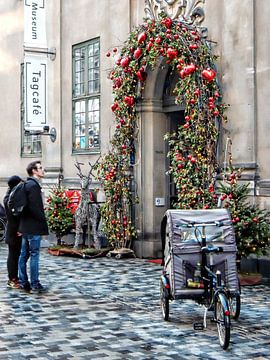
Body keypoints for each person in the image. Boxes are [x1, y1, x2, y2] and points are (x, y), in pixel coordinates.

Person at [18, 161, 49, 293]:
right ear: (34, 171)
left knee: (24, 254)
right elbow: (36, 208)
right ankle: (35, 283)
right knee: (34, 254)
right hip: (33, 226)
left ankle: (23, 281)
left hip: (25, 226)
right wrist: (44, 221)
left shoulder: (26, 184)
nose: (43, 170)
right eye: (40, 168)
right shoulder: (34, 186)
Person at [3, 175, 23, 289]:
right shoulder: (11, 198)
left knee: (14, 255)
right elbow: (15, 216)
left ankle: (14, 278)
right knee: (13, 256)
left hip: (11, 230)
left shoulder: (7, 196)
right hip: (14, 231)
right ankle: (12, 279)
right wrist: (20, 229)